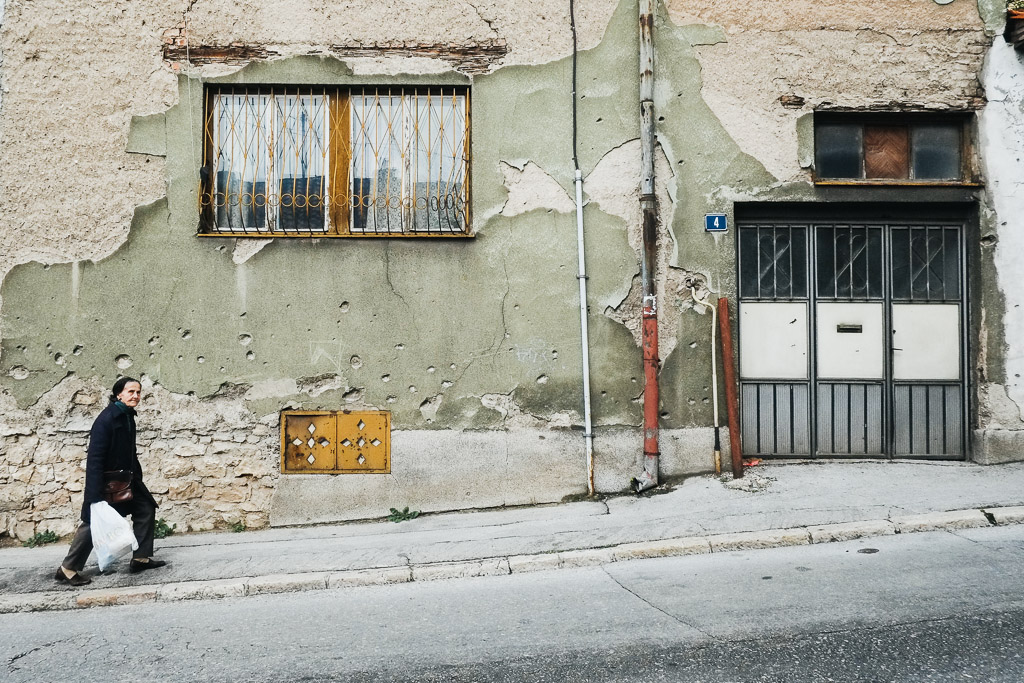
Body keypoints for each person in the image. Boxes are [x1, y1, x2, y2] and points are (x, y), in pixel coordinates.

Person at [55, 376, 165, 586]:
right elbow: (95, 458)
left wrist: (136, 476)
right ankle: (67, 569)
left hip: (127, 479)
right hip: (108, 482)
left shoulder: (126, 416)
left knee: (146, 508)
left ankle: (140, 558)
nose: (136, 396)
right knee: (92, 523)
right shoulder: (106, 420)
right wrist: (94, 495)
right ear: (118, 394)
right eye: (131, 392)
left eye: (138, 392)